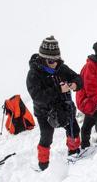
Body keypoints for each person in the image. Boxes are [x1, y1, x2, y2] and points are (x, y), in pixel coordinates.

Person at [26, 36, 83, 170]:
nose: (55, 63)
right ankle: (43, 165)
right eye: (51, 61)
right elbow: (37, 96)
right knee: (46, 137)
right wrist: (58, 89)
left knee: (73, 129)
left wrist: (75, 84)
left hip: (65, 107)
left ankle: (74, 153)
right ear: (43, 59)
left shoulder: (62, 68)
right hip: (44, 112)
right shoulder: (33, 74)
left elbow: (78, 78)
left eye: (57, 60)